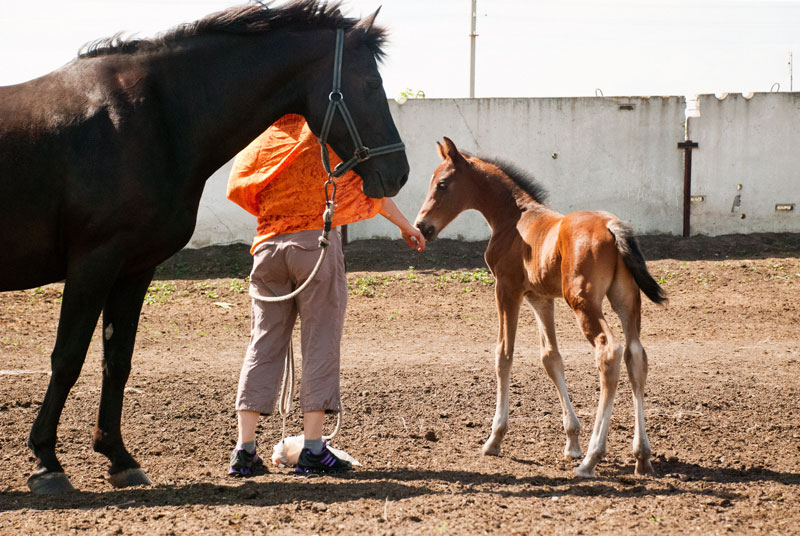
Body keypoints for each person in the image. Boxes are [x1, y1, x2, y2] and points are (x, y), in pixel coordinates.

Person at [226, 114, 424, 476]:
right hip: (314, 244)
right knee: (319, 342)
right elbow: (371, 189)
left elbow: (242, 188)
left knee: (261, 345)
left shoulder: (264, 137)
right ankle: (314, 450)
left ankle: (244, 450)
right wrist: (406, 226)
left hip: (266, 249)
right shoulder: (326, 142)